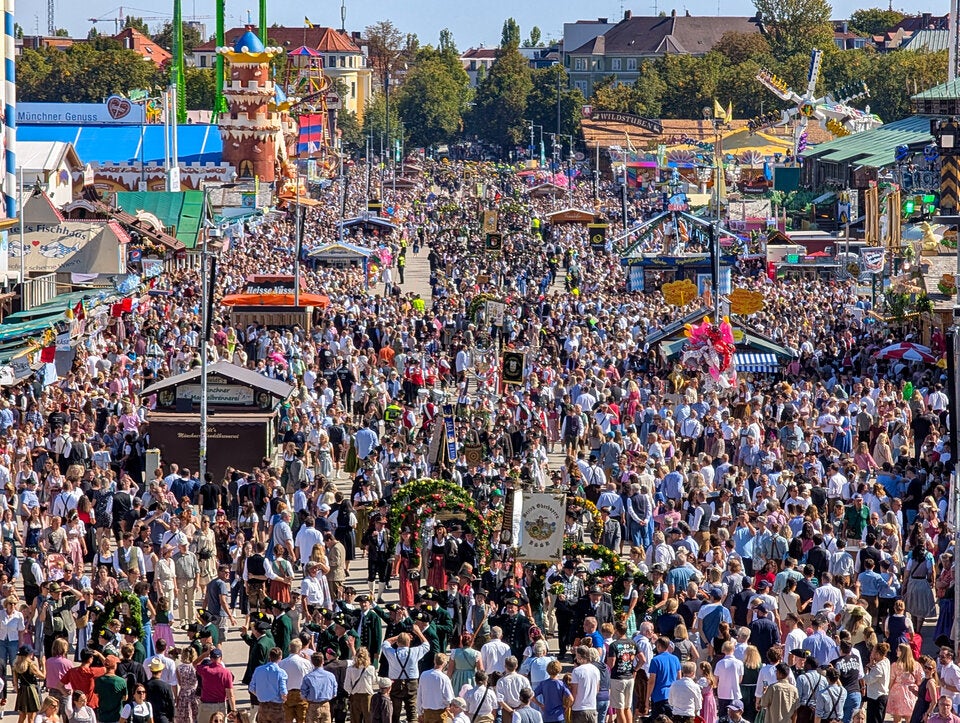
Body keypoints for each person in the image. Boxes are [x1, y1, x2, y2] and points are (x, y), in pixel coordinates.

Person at [248, 647, 289, 723]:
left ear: (269, 656)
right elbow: (283, 692)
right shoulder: (281, 673)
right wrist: (284, 700)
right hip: (276, 707)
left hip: (263, 706)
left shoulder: (258, 670)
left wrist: (260, 695)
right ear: (280, 657)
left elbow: (251, 688)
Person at [647, 636, 680, 717]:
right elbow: (679, 678)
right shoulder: (675, 659)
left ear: (659, 646)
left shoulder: (655, 660)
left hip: (659, 695)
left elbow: (651, 681)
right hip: (673, 695)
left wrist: (647, 697)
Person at [416, 653, 453, 723]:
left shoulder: (424, 674)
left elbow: (419, 695)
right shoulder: (444, 678)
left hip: (427, 712)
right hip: (440, 712)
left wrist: (419, 712)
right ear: (445, 663)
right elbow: (449, 698)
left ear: (434, 661)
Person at [569, 646, 601, 723]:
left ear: (579, 656)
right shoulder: (596, 670)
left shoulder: (576, 671)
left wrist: (570, 704)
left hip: (578, 708)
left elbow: (574, 692)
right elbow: (597, 689)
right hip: (592, 707)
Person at [13, 646, 41, 723]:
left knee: (22, 716)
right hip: (31, 691)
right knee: (31, 717)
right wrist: (43, 665)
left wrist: (18, 691)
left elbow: (15, 683)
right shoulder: (31, 665)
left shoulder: (16, 666)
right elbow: (43, 676)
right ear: (28, 655)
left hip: (22, 690)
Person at [864, 643, 891, 723]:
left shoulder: (878, 667)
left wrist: (866, 671)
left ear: (878, 654)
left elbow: (868, 680)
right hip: (882, 695)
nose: (871, 652)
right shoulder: (886, 661)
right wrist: (872, 664)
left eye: (873, 651)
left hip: (876, 698)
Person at [144, 658, 175, 723]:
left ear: (151, 670)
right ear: (161, 671)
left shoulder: (145, 685)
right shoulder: (166, 686)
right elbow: (171, 703)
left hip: (148, 717)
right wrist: (171, 718)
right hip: (163, 717)